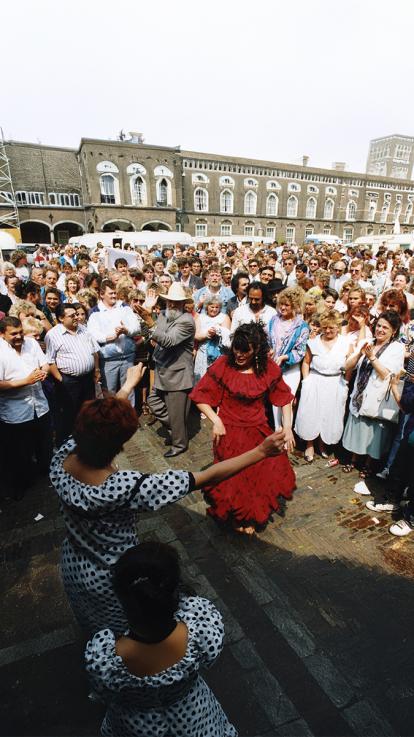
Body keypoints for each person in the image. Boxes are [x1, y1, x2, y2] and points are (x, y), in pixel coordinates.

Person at [50, 363, 286, 635]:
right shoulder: (123, 487)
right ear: (117, 446)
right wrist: (260, 451)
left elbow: (99, 424)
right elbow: (206, 477)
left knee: (95, 631)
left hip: (74, 565)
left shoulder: (62, 456)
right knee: (126, 634)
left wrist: (127, 387)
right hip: (113, 575)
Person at [85, 542, 237, 737]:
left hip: (137, 726)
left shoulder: (104, 657)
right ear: (174, 592)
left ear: (122, 600)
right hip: (193, 714)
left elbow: (103, 693)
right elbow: (211, 657)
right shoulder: (201, 625)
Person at [190, 323, 296, 535]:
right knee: (233, 479)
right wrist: (216, 420)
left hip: (257, 432)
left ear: (256, 349)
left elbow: (285, 398)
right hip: (229, 432)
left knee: (255, 478)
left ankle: (250, 515)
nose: (238, 354)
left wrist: (287, 428)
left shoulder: (268, 369)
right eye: (236, 348)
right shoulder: (223, 365)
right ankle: (236, 516)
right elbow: (199, 396)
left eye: (245, 350)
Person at [342, 311, 405, 480]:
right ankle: (354, 459)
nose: (380, 330)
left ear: (394, 330)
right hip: (360, 394)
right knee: (358, 427)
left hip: (378, 398)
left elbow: (387, 374)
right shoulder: (367, 341)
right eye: (378, 325)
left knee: (373, 433)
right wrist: (359, 354)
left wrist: (372, 357)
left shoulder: (397, 348)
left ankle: (369, 464)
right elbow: (347, 366)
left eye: (386, 327)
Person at [137, 283, 196, 457]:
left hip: (178, 375)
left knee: (177, 413)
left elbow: (168, 340)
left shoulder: (187, 321)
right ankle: (178, 430)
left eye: (176, 303)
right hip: (163, 371)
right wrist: (146, 312)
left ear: (184, 304)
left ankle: (179, 443)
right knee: (153, 401)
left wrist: (149, 322)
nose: (172, 305)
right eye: (170, 301)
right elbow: (150, 332)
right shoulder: (162, 315)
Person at [0, 316, 52, 500]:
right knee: (19, 453)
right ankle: (19, 487)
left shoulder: (31, 343)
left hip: (40, 405)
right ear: (2, 334)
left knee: (44, 445)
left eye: (20, 332)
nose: (19, 336)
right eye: (13, 334)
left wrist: (43, 372)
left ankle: (46, 475)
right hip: (16, 412)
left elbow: (45, 363)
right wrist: (25, 381)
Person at [294, 311, 349, 461]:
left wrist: (346, 383)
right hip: (315, 380)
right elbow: (306, 362)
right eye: (325, 327)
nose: (328, 331)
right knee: (311, 412)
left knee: (330, 414)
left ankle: (322, 444)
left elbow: (349, 365)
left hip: (335, 382)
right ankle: (309, 444)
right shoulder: (313, 342)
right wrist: (306, 381)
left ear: (338, 327)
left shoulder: (345, 343)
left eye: (331, 327)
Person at [45, 303, 101, 446]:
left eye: (77, 314)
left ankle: (87, 439)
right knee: (69, 414)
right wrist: (61, 380)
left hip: (87, 379)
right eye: (72, 315)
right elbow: (50, 362)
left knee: (88, 410)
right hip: (69, 381)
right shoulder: (53, 335)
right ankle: (66, 444)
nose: (77, 317)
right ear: (61, 318)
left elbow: (94, 351)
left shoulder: (83, 329)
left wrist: (96, 370)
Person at [87, 280, 140, 403]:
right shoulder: (95, 311)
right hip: (108, 360)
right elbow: (92, 334)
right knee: (109, 392)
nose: (114, 296)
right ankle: (110, 420)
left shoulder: (124, 307)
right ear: (101, 294)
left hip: (127, 358)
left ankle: (128, 419)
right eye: (110, 293)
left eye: (115, 293)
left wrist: (126, 330)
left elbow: (136, 327)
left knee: (129, 390)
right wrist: (110, 337)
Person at [267, 286, 309, 425]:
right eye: (281, 304)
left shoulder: (301, 326)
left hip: (290, 370)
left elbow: (300, 351)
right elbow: (268, 340)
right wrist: (269, 350)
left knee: (287, 402)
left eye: (286, 305)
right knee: (275, 402)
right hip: (273, 366)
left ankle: (287, 435)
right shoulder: (274, 320)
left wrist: (285, 357)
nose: (282, 308)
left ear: (294, 306)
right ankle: (277, 432)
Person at [194, 297, 231, 382]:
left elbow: (228, 336)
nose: (214, 309)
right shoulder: (200, 317)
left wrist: (218, 331)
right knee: (202, 380)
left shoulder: (224, 317)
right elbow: (196, 335)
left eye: (217, 307)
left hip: (219, 353)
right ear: (207, 307)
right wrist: (207, 335)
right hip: (203, 354)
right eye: (212, 307)